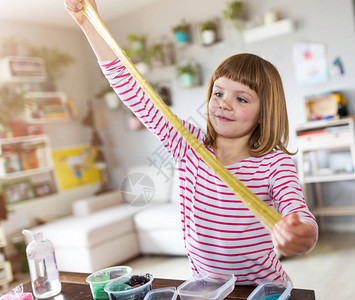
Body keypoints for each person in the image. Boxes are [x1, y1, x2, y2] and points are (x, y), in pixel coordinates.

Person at [64, 0, 318, 285]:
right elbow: (131, 87)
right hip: (206, 288)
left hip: (263, 289)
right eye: (219, 93)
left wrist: (302, 233)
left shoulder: (274, 162)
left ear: (265, 112)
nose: (224, 104)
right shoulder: (187, 143)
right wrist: (88, 22)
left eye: (242, 98)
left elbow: (297, 211)